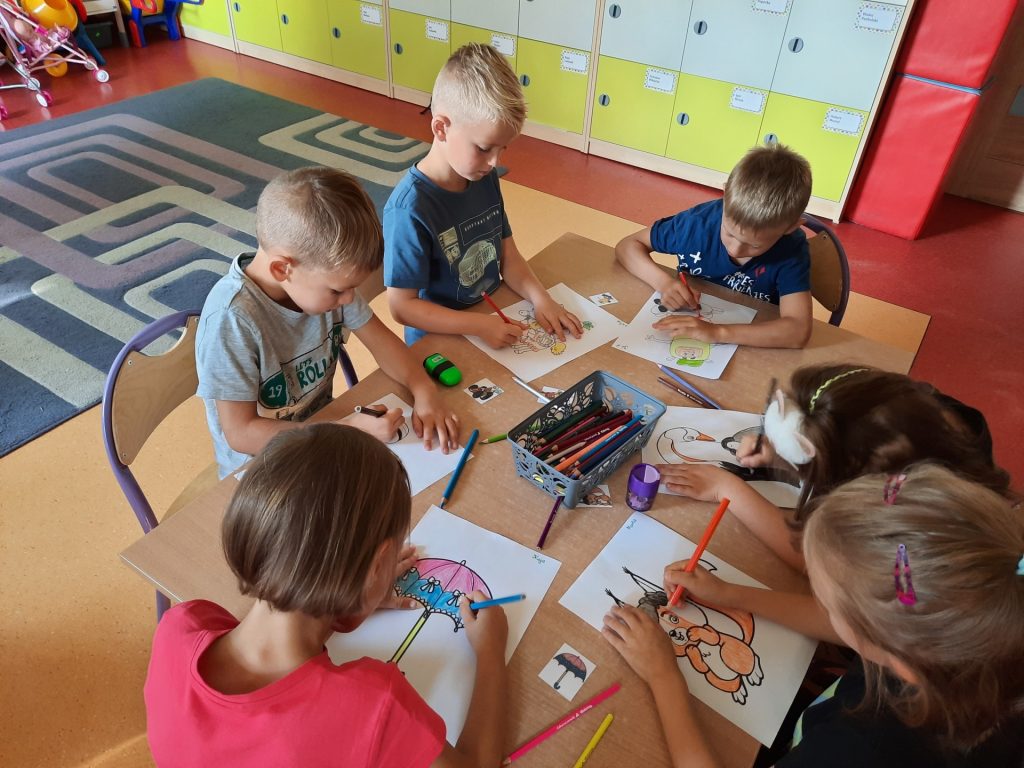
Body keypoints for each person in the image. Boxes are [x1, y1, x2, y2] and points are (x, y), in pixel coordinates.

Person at [603, 463, 1024, 768]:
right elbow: (852, 628)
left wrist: (664, 677)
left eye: (824, 595)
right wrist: (731, 595)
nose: (818, 600)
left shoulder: (859, 749)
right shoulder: (977, 627)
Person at [144, 424, 508, 767]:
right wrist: (490, 651)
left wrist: (344, 593)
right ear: (377, 565)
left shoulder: (181, 624)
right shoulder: (375, 708)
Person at [196, 166, 459, 478]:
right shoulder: (232, 320)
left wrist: (424, 390)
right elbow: (241, 433)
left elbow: (385, 346)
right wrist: (345, 430)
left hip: (324, 430)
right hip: (262, 468)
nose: (348, 299)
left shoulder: (326, 285)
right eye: (338, 290)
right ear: (282, 270)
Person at [656, 363, 1011, 571]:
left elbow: (812, 559)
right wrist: (781, 455)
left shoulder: (913, 543)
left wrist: (728, 489)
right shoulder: (913, 418)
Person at [384, 43, 582, 349]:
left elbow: (508, 257)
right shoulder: (409, 209)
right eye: (484, 148)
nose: (495, 162)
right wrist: (478, 325)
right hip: (440, 341)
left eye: (503, 148)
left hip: (490, 318)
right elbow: (402, 307)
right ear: (441, 128)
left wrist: (542, 299)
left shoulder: (483, 177)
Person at [615, 143, 814, 349]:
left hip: (752, 339)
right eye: (729, 233)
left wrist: (718, 332)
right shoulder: (695, 224)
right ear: (725, 195)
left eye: (754, 245)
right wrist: (663, 283)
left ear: (791, 227)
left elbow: (797, 331)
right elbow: (627, 245)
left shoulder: (791, 251)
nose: (735, 250)